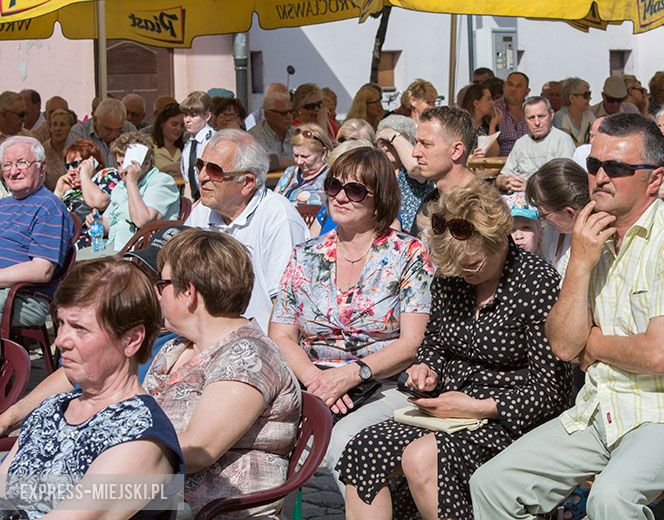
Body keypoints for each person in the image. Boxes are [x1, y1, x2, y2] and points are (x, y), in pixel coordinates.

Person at [470, 113, 664, 519]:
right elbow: (562, 346)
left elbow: (657, 355)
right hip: (603, 407)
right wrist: (579, 263)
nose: (601, 177)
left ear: (655, 178)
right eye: (594, 165)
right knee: (492, 484)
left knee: (611, 499)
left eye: (619, 168)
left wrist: (590, 344)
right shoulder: (592, 238)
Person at [338, 179, 570, 519]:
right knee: (363, 447)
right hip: (448, 409)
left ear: (500, 241)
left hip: (509, 418)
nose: (464, 274)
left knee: (422, 458)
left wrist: (478, 408)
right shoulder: (452, 277)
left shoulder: (538, 283)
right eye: (456, 267)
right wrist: (425, 370)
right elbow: (434, 343)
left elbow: (553, 391)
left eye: (472, 265)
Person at [270, 147, 434, 493]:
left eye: (355, 190)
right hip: (314, 381)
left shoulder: (408, 254)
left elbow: (411, 344)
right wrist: (318, 381)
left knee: (342, 440)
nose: (340, 196)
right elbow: (282, 334)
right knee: (270, 435)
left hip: (381, 384)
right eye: (334, 185)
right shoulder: (306, 255)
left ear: (380, 200)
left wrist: (350, 374)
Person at [0, 257, 183, 519]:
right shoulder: (54, 409)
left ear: (131, 340)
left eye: (80, 328)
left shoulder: (142, 439)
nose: (62, 340)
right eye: (61, 323)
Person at [146, 228, 301, 516]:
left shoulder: (249, 356)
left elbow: (197, 449)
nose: (156, 293)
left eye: (161, 284)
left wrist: (115, 455)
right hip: (159, 496)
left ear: (189, 292)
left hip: (213, 509)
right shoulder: (177, 348)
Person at [185, 128, 309, 330]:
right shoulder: (203, 211)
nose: (201, 176)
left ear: (247, 183)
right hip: (206, 336)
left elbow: (285, 308)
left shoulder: (278, 217)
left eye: (214, 170)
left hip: (261, 343)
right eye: (200, 165)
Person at [0, 135, 74, 327]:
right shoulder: (3, 205)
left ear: (42, 167)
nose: (13, 171)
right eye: (7, 165)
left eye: (22, 163)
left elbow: (42, 270)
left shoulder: (49, 207)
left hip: (22, 298)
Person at [96, 132, 180, 252]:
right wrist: (97, 223)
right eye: (119, 164)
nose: (121, 170)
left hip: (141, 254)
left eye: (126, 164)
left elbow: (143, 221)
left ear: (145, 164)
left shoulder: (162, 181)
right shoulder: (121, 187)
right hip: (113, 248)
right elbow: (109, 224)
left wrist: (132, 182)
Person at [409, 106, 478, 236]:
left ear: (456, 151)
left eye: (426, 144)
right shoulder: (432, 200)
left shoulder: (479, 207)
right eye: (416, 142)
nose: (415, 152)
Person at [525, 157, 590, 276]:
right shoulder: (558, 230)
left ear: (570, 213)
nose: (544, 220)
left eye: (544, 215)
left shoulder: (589, 246)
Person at [497, 97, 575, 194]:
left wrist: (530, 187)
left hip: (548, 200)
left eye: (541, 116)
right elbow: (501, 177)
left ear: (551, 115)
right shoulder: (521, 143)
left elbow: (565, 181)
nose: (537, 123)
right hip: (518, 200)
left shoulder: (562, 140)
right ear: (525, 119)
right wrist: (505, 182)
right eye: (531, 118)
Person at [54, 139, 121, 248]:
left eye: (75, 164)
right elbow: (48, 218)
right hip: (62, 244)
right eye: (67, 167)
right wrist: (59, 191)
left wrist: (84, 174)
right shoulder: (70, 189)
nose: (71, 171)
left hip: (91, 245)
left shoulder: (106, 174)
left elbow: (100, 202)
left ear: (92, 161)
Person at [376, 114, 436, 233]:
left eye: (391, 143)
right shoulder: (377, 171)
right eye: (382, 143)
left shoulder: (411, 172)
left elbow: (415, 167)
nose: (386, 148)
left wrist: (393, 136)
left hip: (412, 237)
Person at [66, 98, 136, 169]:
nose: (113, 135)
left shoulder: (129, 129)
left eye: (119, 130)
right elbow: (73, 167)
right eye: (108, 129)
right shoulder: (80, 131)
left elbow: (139, 163)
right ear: (95, 120)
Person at [275, 123, 332, 206]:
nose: (299, 161)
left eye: (304, 156)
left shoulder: (330, 177)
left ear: (323, 153)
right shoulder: (290, 171)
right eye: (296, 155)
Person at [180, 91, 214, 202]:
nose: (187, 120)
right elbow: (188, 182)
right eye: (185, 115)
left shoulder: (213, 141)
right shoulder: (189, 144)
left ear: (207, 116)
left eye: (193, 116)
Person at [248, 91, 295, 171]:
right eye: (283, 113)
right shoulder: (256, 135)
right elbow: (266, 163)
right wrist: (298, 162)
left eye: (291, 112)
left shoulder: (296, 132)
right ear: (267, 115)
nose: (289, 117)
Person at [459, 83, 500, 156]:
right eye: (488, 99)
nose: (493, 102)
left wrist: (492, 126)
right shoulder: (460, 125)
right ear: (476, 103)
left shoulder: (487, 125)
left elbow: (493, 154)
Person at [496, 72, 531, 156]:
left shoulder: (533, 110)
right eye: (510, 84)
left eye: (518, 86)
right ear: (504, 87)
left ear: (527, 91)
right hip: (501, 164)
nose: (513, 89)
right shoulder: (493, 109)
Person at [553, 77, 596, 146]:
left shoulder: (588, 114)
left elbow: (598, 137)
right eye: (586, 95)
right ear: (572, 98)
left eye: (589, 94)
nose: (590, 98)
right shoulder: (561, 116)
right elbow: (565, 144)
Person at [42, 108, 76, 190]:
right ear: (50, 128)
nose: (57, 129)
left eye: (62, 125)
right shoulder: (42, 151)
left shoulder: (77, 150)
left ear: (71, 128)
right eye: (54, 124)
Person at [151, 102, 184, 177]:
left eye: (182, 126)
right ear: (162, 123)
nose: (179, 129)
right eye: (174, 124)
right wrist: (166, 169)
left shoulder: (186, 147)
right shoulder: (149, 144)